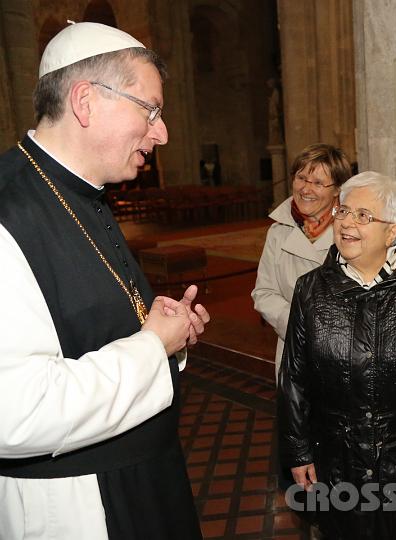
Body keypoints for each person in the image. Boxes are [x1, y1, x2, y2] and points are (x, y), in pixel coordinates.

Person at [0, 22, 210, 539]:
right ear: (86, 101)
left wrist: (167, 330)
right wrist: (151, 346)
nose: (161, 133)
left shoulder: (81, 193)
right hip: (76, 504)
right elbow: (15, 411)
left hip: (142, 477)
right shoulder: (10, 212)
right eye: (151, 109)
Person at [278, 172, 396, 539]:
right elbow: (294, 377)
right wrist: (298, 451)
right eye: (344, 211)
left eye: (363, 215)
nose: (346, 222)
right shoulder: (311, 290)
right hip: (334, 456)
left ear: (393, 231)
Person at [252, 143, 352, 375]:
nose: (306, 189)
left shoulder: (351, 231)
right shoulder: (278, 232)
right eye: (301, 178)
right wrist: (298, 325)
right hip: (294, 350)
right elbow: (264, 292)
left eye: (318, 182)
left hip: (343, 353)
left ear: (337, 189)